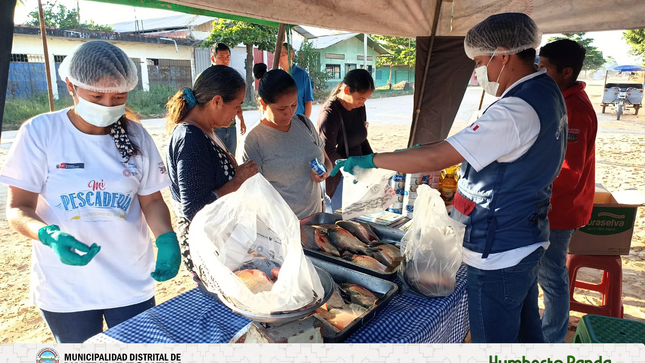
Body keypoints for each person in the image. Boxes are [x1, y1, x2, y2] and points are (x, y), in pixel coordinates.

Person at [331, 13, 567, 343]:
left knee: (494, 342)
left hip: (498, 248)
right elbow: (457, 146)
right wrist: (420, 149)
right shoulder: (546, 92)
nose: (479, 70)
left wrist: (372, 160)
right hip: (526, 238)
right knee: (526, 334)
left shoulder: (515, 110)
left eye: (481, 61)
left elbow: (438, 156)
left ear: (504, 54)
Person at [0, 40, 180, 343]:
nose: (109, 106)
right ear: (71, 85)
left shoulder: (135, 135)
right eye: (97, 96)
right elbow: (18, 208)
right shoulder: (41, 133)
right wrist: (48, 235)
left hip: (130, 282)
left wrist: (166, 236)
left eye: (119, 97)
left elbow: (151, 200)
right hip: (66, 288)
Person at [166, 65, 258, 274]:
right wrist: (236, 182)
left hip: (222, 242)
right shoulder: (191, 139)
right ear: (217, 101)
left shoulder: (205, 131)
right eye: (237, 106)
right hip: (206, 248)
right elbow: (194, 208)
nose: (237, 113)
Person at [537, 39, 597, 343]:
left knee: (551, 277)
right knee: (543, 273)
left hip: (561, 209)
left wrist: (527, 185)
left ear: (566, 71)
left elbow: (569, 174)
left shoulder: (576, 111)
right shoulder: (557, 98)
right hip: (550, 204)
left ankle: (551, 338)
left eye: (543, 67)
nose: (537, 71)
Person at [243, 65, 332, 219]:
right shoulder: (253, 141)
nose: (289, 113)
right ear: (263, 103)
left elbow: (327, 161)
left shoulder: (304, 123)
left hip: (315, 221)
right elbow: (251, 196)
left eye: (293, 105)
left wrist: (324, 172)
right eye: (281, 108)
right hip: (280, 231)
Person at [317, 69, 375, 212]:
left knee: (362, 218)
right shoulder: (329, 113)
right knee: (341, 220)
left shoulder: (359, 107)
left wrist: (373, 161)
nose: (362, 103)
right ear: (347, 90)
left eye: (365, 100)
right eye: (361, 98)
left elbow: (361, 138)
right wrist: (353, 170)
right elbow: (328, 152)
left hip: (359, 173)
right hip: (340, 177)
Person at [211, 43, 247, 156]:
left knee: (231, 159)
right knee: (217, 159)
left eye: (227, 57)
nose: (225, 60)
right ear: (213, 59)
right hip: (215, 127)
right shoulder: (207, 78)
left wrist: (241, 120)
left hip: (231, 126)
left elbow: (237, 101)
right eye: (221, 57)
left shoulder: (232, 77)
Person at [279, 42, 314, 118]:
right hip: (280, 123)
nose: (279, 58)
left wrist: (305, 122)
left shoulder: (302, 75)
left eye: (282, 55)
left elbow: (308, 101)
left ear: (291, 55)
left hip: (298, 121)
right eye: (277, 55)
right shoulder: (274, 74)